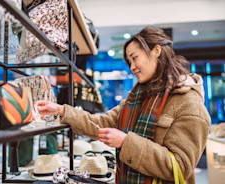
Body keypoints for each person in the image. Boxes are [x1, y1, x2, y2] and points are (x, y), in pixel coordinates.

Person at [35, 26, 211, 184]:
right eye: (129, 62)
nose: (132, 67)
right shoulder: (137, 98)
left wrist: (126, 142)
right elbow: (101, 123)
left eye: (135, 58)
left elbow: (181, 166)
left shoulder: (189, 103)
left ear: (156, 51)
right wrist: (61, 110)